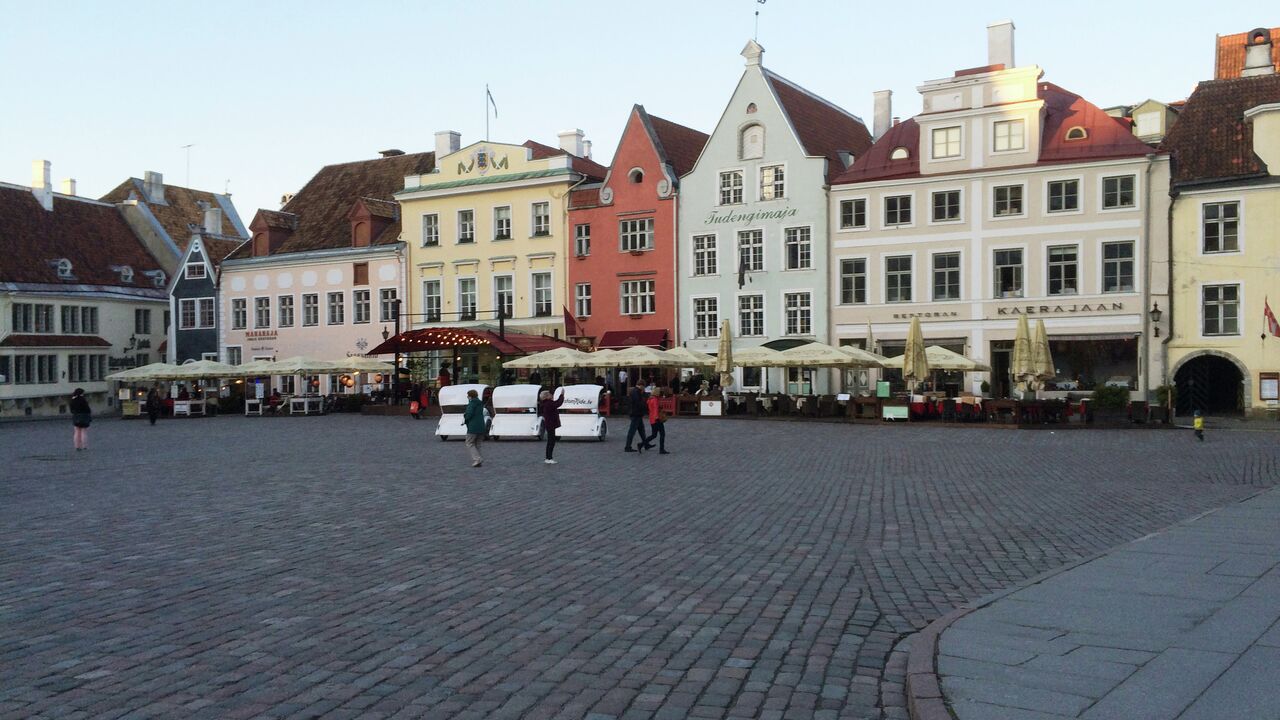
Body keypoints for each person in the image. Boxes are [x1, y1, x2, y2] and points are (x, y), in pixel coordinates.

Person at [624, 380, 652, 452]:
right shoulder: (636, 392)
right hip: (635, 413)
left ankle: (645, 444)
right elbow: (638, 403)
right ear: (641, 385)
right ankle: (627, 447)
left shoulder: (635, 391)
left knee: (641, 431)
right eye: (644, 387)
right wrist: (646, 406)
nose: (644, 388)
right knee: (632, 431)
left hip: (637, 413)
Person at [539, 389, 565, 464]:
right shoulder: (549, 403)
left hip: (549, 424)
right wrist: (562, 395)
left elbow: (556, 403)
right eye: (550, 394)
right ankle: (549, 458)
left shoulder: (546, 403)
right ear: (547, 396)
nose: (552, 395)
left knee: (551, 441)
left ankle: (548, 457)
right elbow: (558, 403)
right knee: (551, 442)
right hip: (550, 424)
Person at [462, 388, 486, 467]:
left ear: (470, 396)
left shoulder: (472, 404)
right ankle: (479, 459)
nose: (467, 397)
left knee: (469, 443)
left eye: (468, 396)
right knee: (477, 444)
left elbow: (469, 414)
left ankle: (477, 459)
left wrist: (465, 417)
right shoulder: (480, 403)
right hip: (481, 426)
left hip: (473, 427)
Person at [645, 387, 671, 455]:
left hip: (651, 418)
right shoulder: (655, 400)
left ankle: (642, 443)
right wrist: (657, 417)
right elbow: (656, 409)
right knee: (662, 434)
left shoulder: (650, 399)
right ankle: (661, 449)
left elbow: (651, 409)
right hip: (657, 419)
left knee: (654, 435)